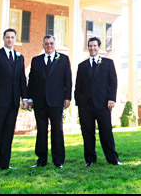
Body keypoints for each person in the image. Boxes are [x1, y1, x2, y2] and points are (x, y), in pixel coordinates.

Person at [0, 28, 28, 174]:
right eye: (7, 37)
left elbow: (22, 80)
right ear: (3, 39)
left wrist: (24, 98)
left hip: (13, 102)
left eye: (12, 37)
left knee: (8, 133)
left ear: (15, 39)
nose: (9, 40)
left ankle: (4, 163)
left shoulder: (19, 57)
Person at [74, 36, 121, 166]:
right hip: (86, 106)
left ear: (99, 47)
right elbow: (78, 86)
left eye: (95, 46)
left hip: (103, 104)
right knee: (87, 133)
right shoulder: (82, 66)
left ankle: (113, 159)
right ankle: (90, 160)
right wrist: (79, 103)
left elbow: (113, 82)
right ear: (88, 48)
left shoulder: (108, 63)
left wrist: (112, 99)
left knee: (106, 132)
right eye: (90, 46)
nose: (92, 48)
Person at [27, 35, 72, 168]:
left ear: (55, 44)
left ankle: (58, 160)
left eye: (51, 43)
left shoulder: (63, 59)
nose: (49, 46)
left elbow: (68, 80)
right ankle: (41, 160)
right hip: (40, 101)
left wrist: (67, 97)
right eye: (46, 43)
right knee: (41, 131)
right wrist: (29, 98)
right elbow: (32, 81)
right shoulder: (36, 60)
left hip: (56, 101)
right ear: (43, 45)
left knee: (57, 130)